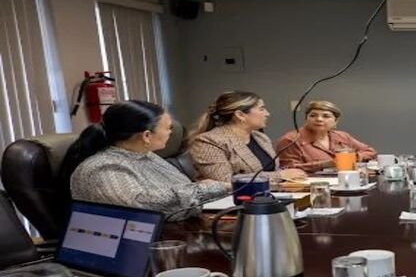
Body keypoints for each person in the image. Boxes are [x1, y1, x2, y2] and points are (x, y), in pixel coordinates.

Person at [63, 100, 229, 221]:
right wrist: (206, 188)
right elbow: (143, 207)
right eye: (168, 128)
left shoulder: (145, 155)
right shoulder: (103, 168)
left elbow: (179, 197)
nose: (171, 132)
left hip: (172, 230)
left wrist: (212, 189)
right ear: (147, 136)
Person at [189, 91, 306, 182]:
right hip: (230, 202)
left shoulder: (261, 138)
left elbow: (274, 169)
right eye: (261, 109)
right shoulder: (208, 141)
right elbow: (225, 181)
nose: (267, 114)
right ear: (240, 115)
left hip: (269, 196)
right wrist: (279, 176)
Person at [275, 100, 377, 174]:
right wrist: (324, 164)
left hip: (344, 181)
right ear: (306, 119)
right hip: (309, 187)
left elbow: (370, 152)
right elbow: (288, 169)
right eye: (313, 115)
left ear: (335, 121)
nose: (319, 119)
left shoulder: (342, 136)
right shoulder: (291, 140)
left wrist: (353, 158)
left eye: (326, 116)